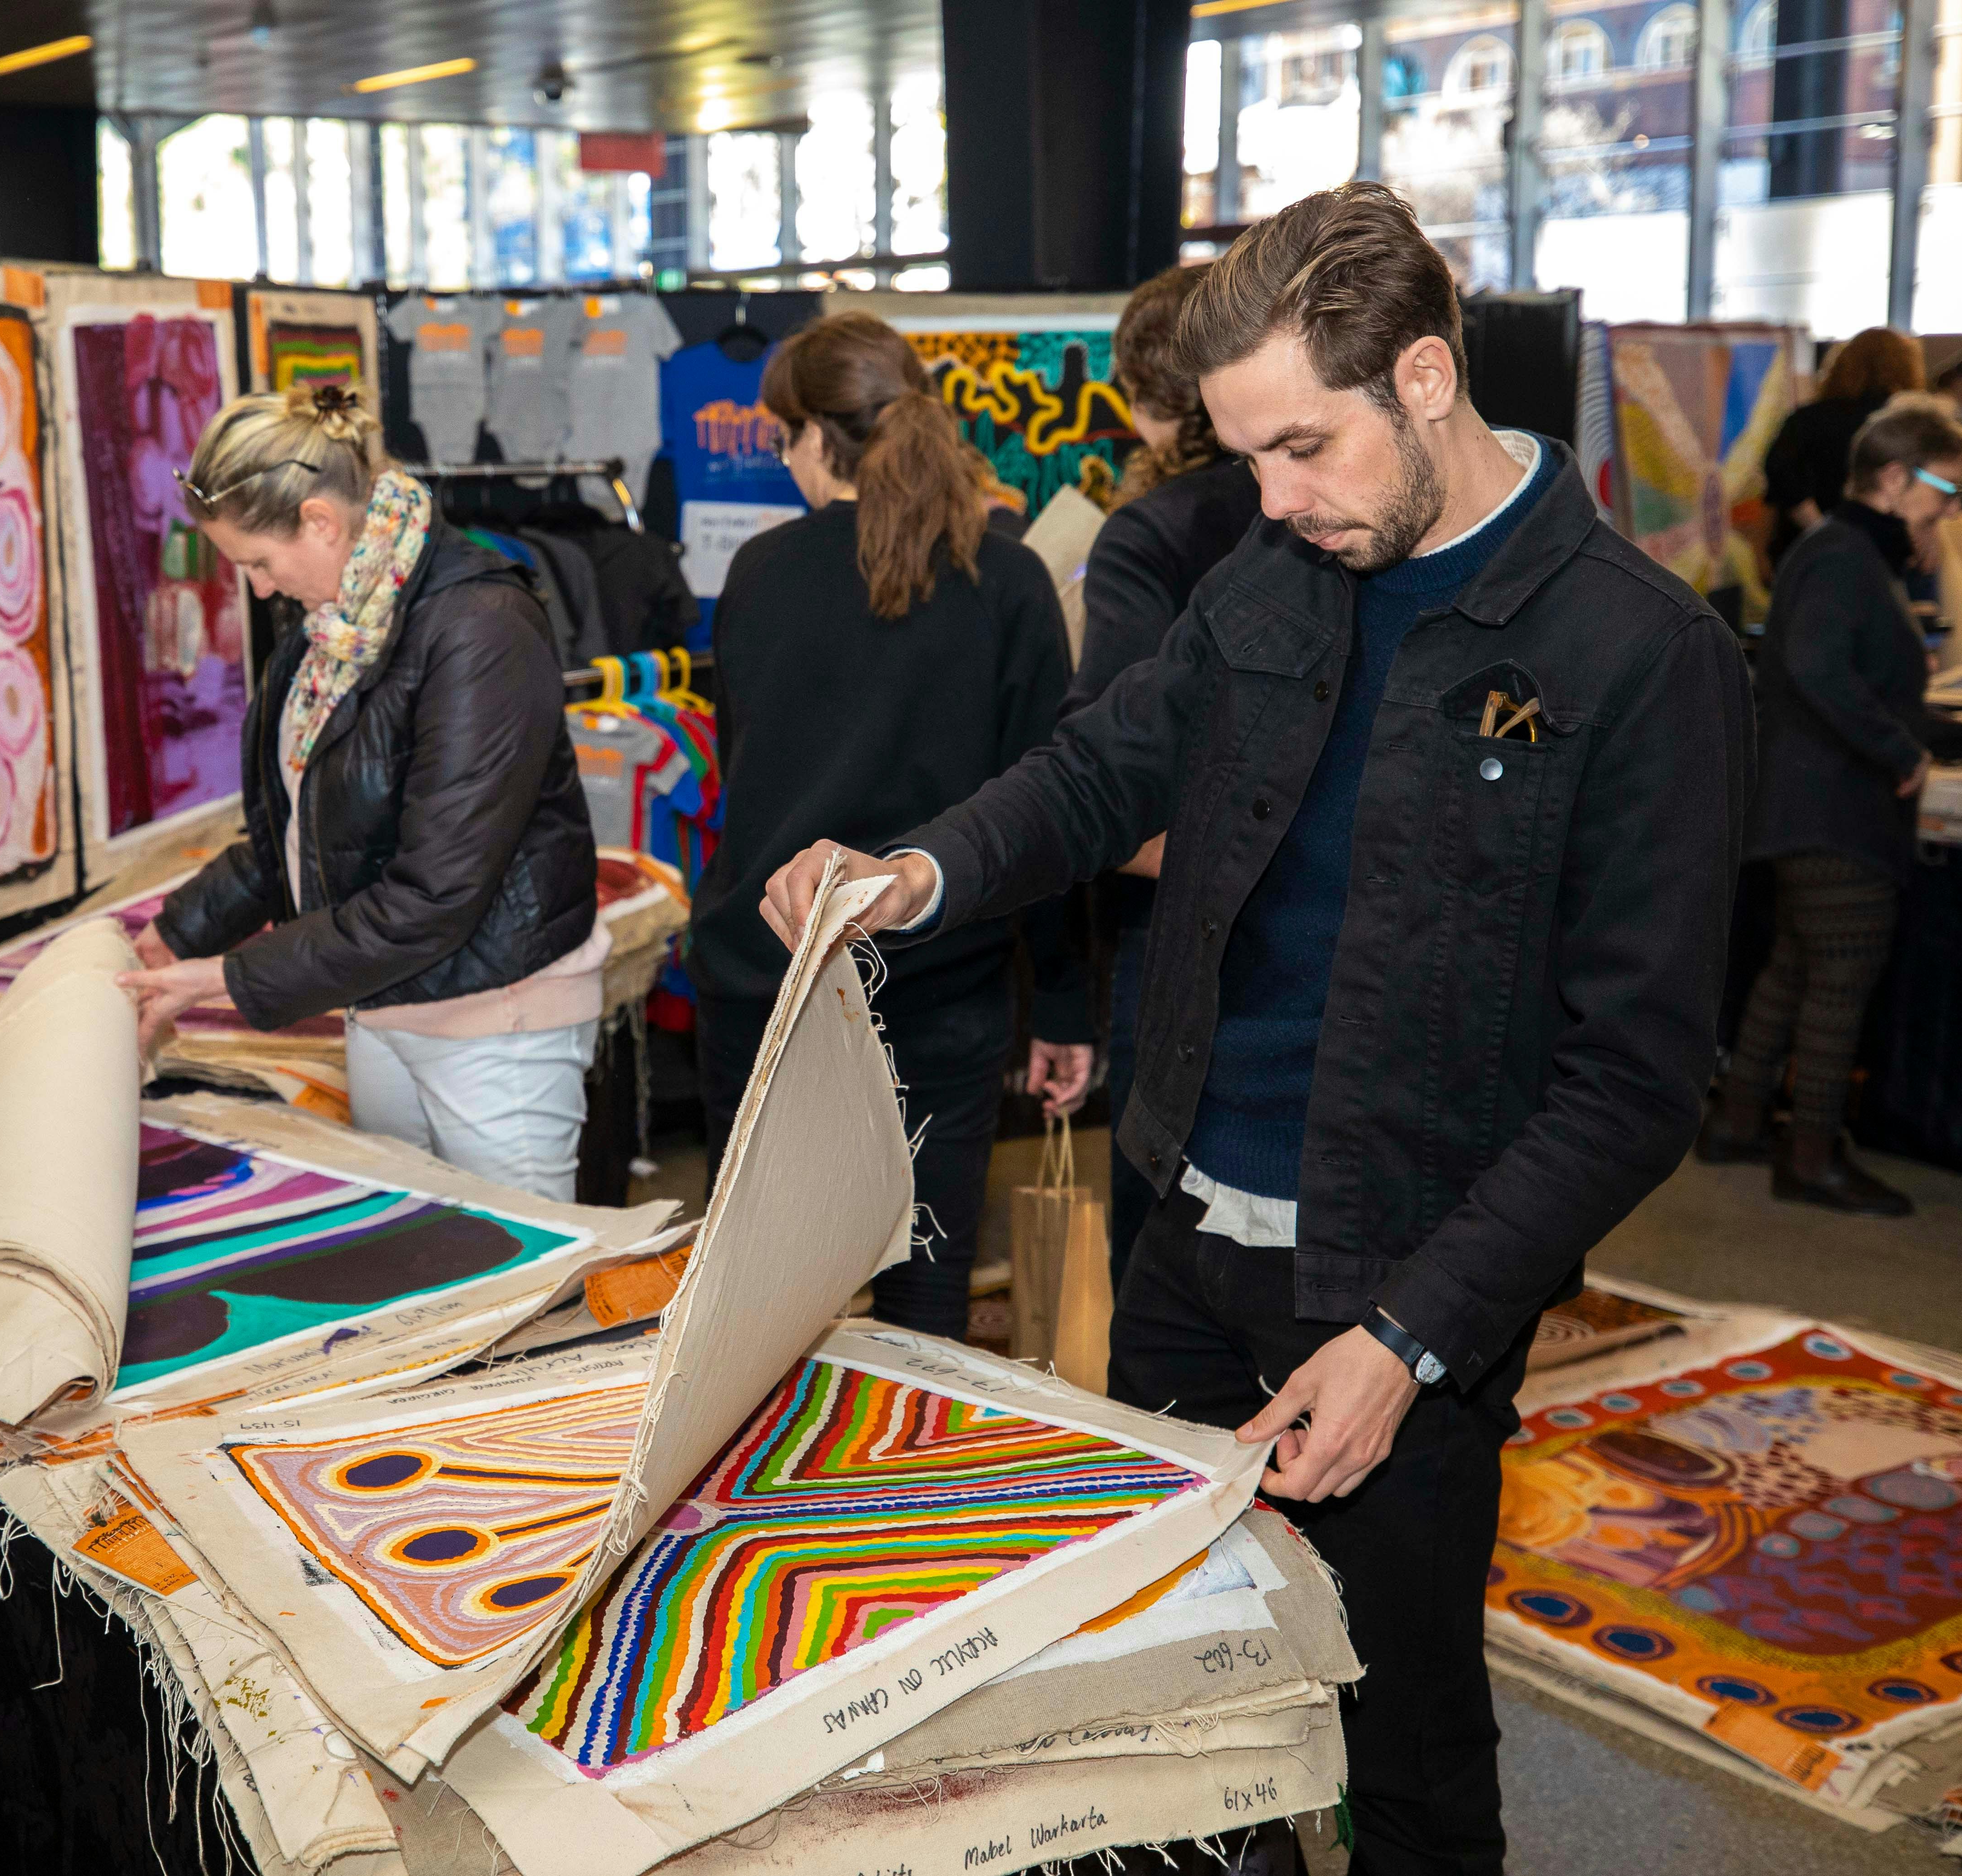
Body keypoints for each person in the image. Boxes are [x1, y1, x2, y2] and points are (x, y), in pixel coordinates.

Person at [758, 182, 1749, 1874]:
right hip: (1185, 1240)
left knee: (1404, 1736)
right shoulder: (1274, 576)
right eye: (1246, 460)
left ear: (1425, 378)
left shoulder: (1637, 654)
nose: (1275, 501)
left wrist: (1416, 1336)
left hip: (1390, 1287)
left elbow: (1635, 1076)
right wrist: (915, 872)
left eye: (1304, 449)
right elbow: (1098, 772)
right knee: (1192, 1718)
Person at [688, 311, 1088, 1341]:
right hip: (941, 988)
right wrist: (1067, 1005)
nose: (785, 463)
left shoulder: (762, 574)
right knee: (924, 1306)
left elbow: (745, 776)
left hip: (764, 983)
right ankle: (917, 1493)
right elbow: (1043, 811)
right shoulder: (1008, 581)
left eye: (785, 438)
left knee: (765, 1312)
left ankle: (778, 1498)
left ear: (822, 439)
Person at [118, 386, 603, 1199]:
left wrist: (228, 979)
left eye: (258, 563)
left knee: (528, 1276)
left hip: (495, 1022)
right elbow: (302, 834)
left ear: (320, 521)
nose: (261, 590)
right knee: (417, 1260)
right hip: (381, 1004)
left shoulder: (480, 626)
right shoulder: (336, 629)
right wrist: (178, 932)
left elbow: (437, 892)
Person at [1700, 402, 1962, 1216]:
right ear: (1894, 479)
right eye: (1947, 490)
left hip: (1812, 810)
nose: (1953, 510)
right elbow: (1821, 671)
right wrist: (1905, 753)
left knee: (1794, 972)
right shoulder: (1844, 557)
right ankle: (1811, 1156)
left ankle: (1740, 1122)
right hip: (1834, 812)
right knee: (1839, 988)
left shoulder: (1848, 552)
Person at [1079, 263, 1263, 1291]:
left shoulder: (1150, 534)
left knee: (1163, 1256)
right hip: (1347, 936)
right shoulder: (1354, 503)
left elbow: (1111, 775)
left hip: (1183, 929)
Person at [1764, 325, 1924, 564]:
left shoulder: (1808, 419)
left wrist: (1819, 527)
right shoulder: (1910, 423)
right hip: (1889, 548)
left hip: (1808, 553)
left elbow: (1780, 473)